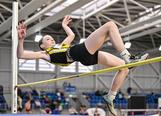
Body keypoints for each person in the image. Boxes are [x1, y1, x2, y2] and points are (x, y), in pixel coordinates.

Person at [17, 16, 148, 116]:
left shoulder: (62, 46)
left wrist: (64, 25)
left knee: (124, 68)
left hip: (85, 57)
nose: (51, 39)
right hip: (79, 52)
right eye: (47, 39)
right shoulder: (44, 54)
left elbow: (71, 35)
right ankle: (129, 57)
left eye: (51, 38)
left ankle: (110, 97)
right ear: (42, 45)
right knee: (110, 25)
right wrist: (21, 39)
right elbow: (21, 55)